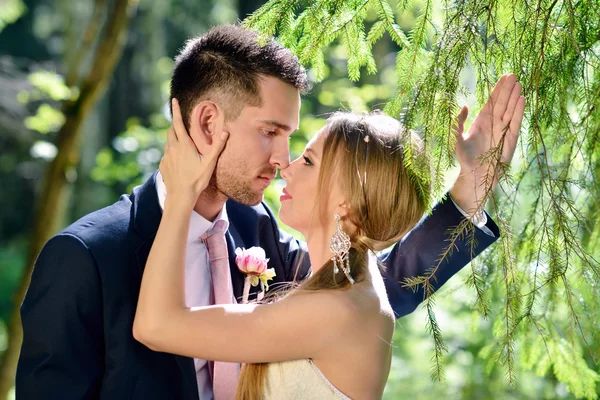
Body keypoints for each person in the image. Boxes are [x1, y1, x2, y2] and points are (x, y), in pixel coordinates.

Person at [16, 24, 523, 400]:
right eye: (271, 133)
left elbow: (371, 288)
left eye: (295, 142)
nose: (283, 161)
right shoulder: (84, 259)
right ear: (210, 123)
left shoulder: (257, 230)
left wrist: (470, 192)